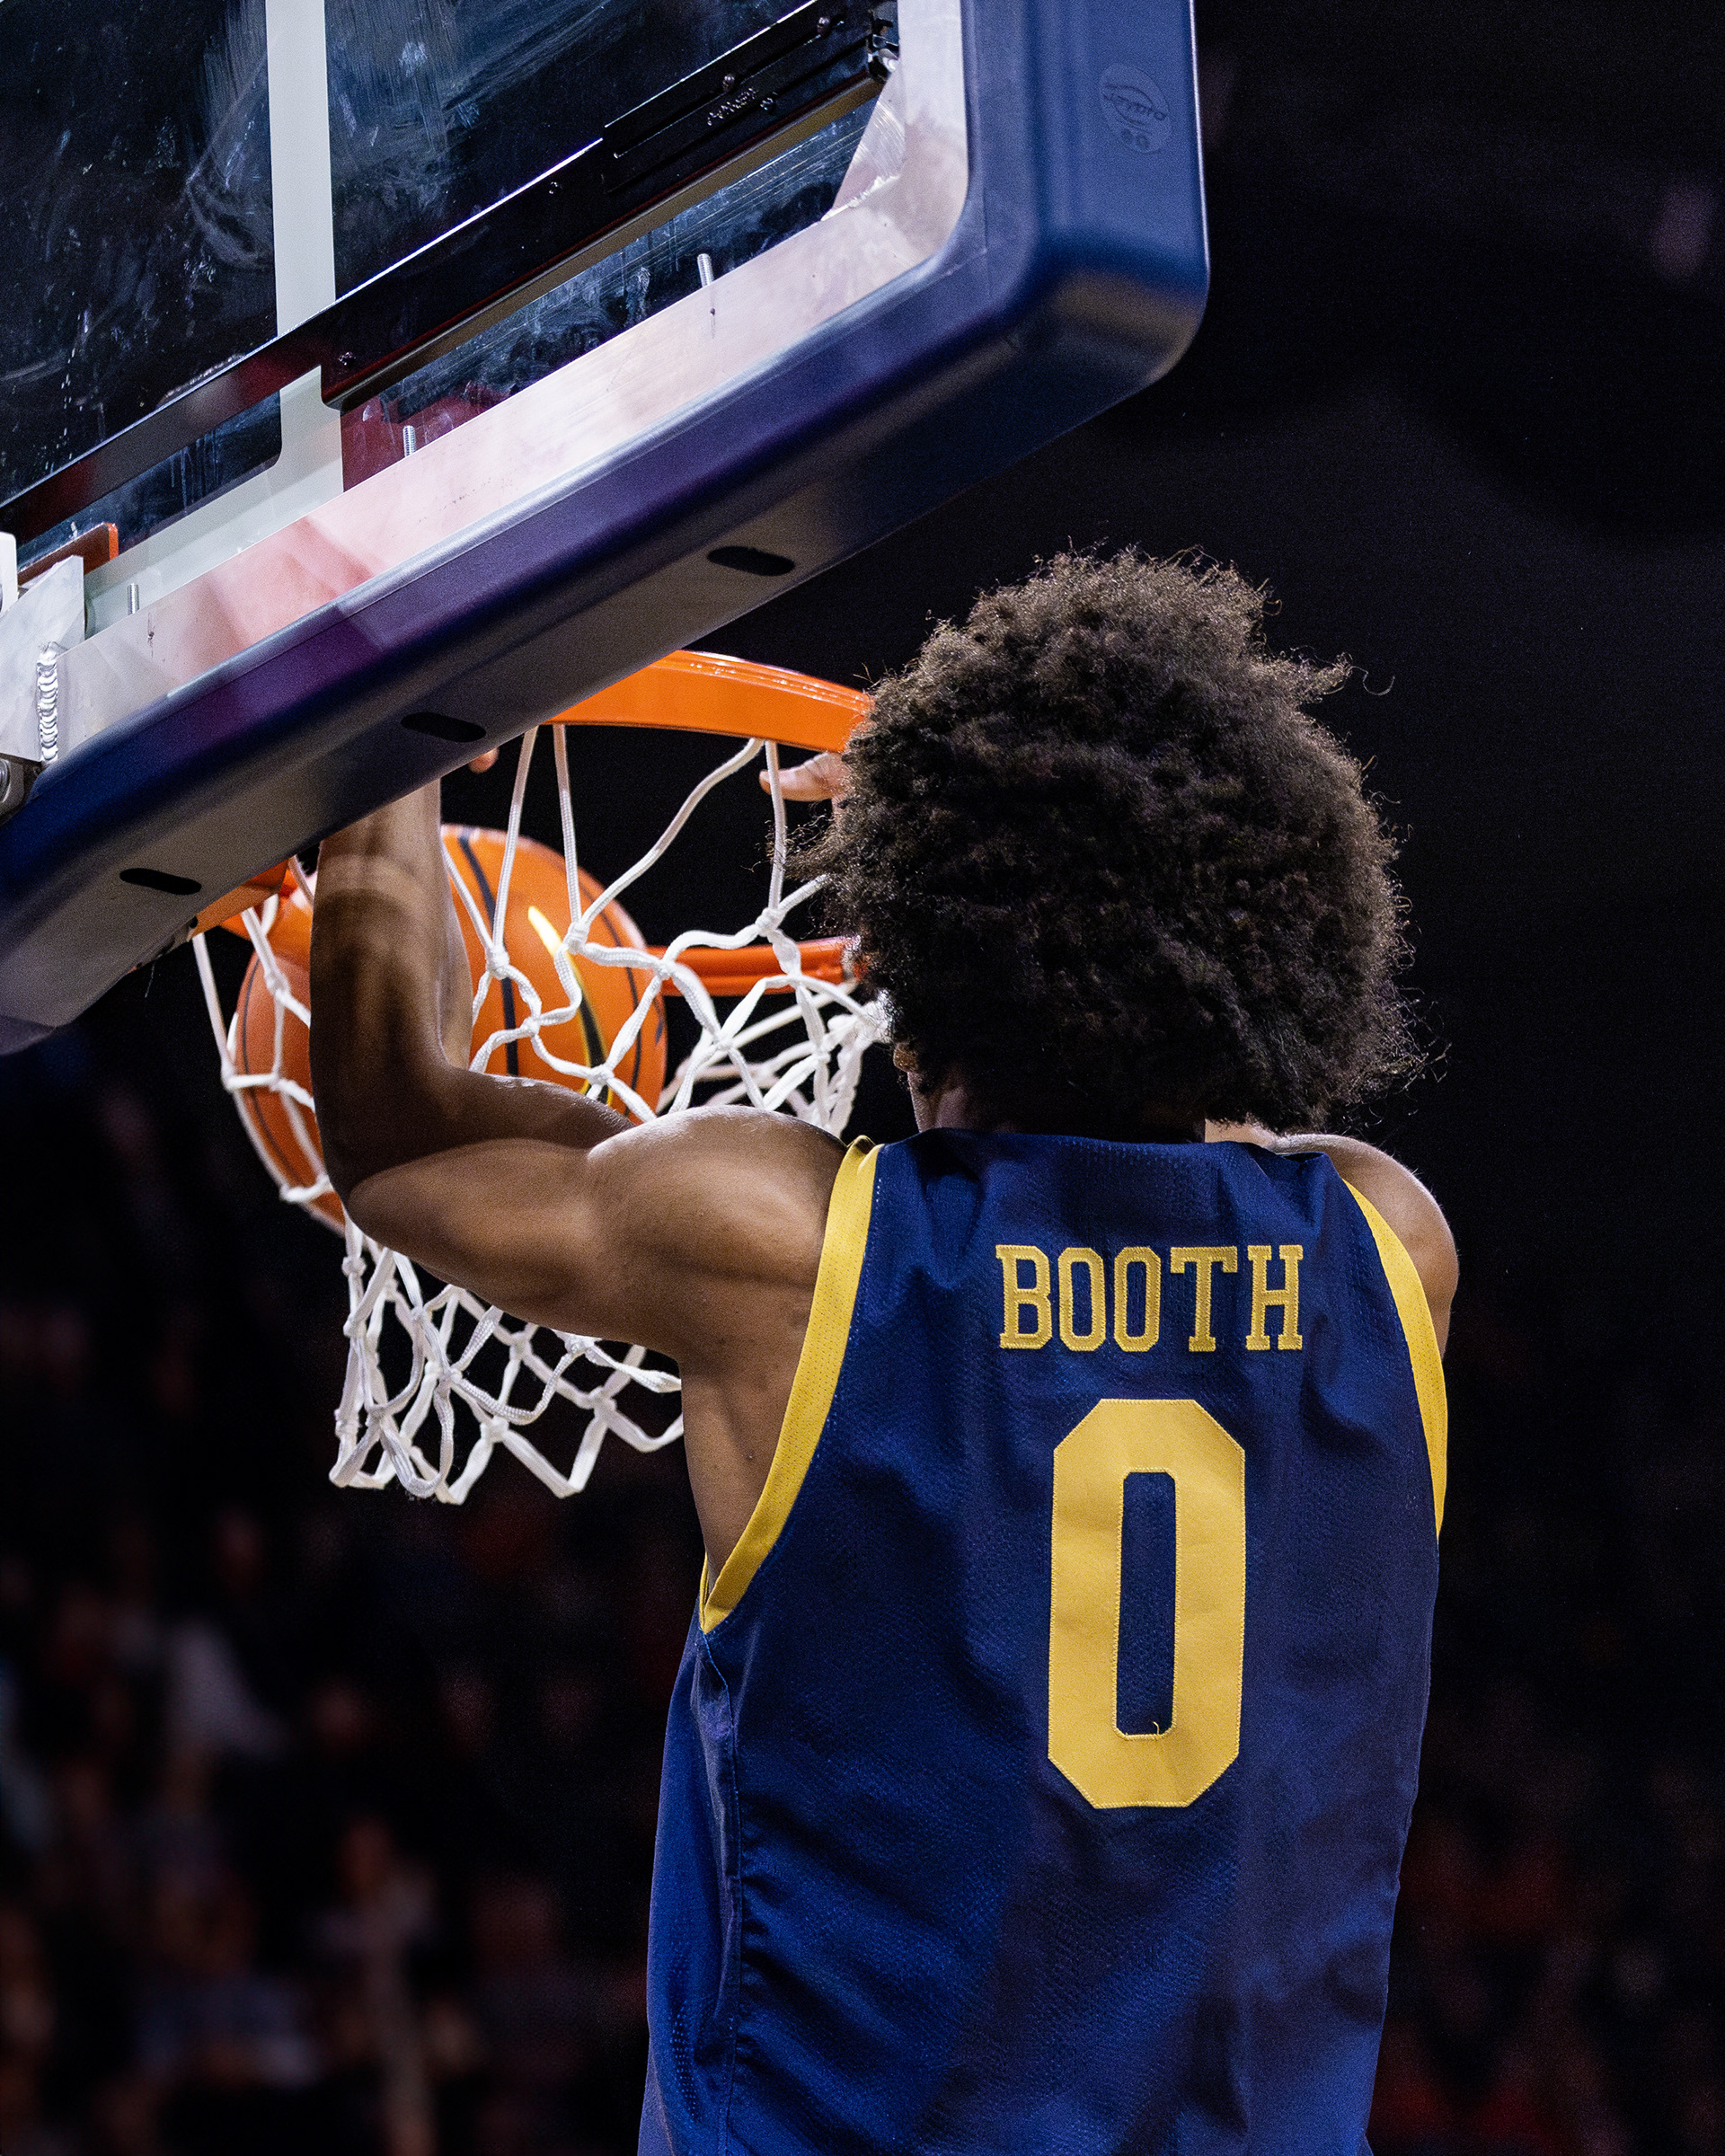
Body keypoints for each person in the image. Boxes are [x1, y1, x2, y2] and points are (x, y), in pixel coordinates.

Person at [309, 552, 1457, 2156]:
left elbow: (395, 1132)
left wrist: (390, 726)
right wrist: (1060, 849)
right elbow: (1211, 1122)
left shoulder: (792, 1254)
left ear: (918, 966)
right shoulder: (1389, 1250)